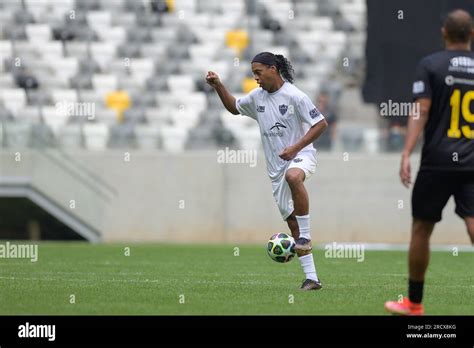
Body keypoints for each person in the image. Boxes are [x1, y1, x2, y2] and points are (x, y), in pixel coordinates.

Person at [206, 52, 328, 290]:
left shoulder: (294, 96)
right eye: (253, 74)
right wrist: (218, 85)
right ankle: (312, 278)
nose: (256, 78)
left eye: (258, 72)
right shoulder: (257, 97)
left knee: (294, 176)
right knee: (291, 223)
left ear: (273, 69)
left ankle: (305, 235)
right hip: (275, 170)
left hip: (301, 156)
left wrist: (295, 148)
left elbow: (320, 123)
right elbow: (234, 108)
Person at [385, 9, 474, 315]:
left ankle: (414, 303)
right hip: (472, 162)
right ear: (472, 35)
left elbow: (420, 111)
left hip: (437, 160)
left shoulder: (431, 64)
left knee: (422, 229)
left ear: (444, 33)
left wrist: (406, 152)